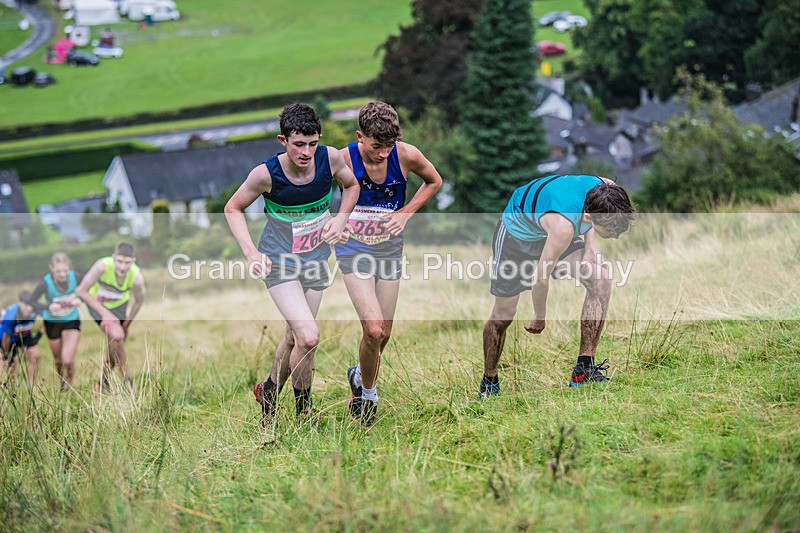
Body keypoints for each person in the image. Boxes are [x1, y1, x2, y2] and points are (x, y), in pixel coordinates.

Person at [224, 103, 360, 427]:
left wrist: (341, 219)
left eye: (312, 143)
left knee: (293, 338)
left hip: (315, 259)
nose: (306, 152)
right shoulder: (265, 174)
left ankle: (269, 390)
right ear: (282, 140)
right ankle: (304, 412)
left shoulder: (331, 159)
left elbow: (352, 186)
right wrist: (251, 254)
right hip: (279, 262)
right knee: (309, 337)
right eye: (299, 144)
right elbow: (232, 208)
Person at [335, 101, 443, 428]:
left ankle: (359, 373)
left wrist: (405, 212)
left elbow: (434, 181)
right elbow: (314, 194)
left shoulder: (406, 154)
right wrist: (337, 220)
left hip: (390, 250)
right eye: (376, 146)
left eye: (389, 146)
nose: (383, 154)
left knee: (385, 335)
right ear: (360, 137)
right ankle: (367, 396)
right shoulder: (342, 158)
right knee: (373, 328)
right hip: (352, 250)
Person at [480, 175, 637, 396]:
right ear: (588, 217)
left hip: (555, 224)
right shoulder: (564, 226)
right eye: (611, 231)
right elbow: (540, 278)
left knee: (601, 278)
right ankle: (489, 381)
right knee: (504, 314)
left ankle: (584, 369)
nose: (616, 236)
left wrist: (590, 247)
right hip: (517, 237)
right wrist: (540, 317)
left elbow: (590, 215)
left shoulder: (607, 188)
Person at [76, 243, 146, 392]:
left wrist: (126, 324)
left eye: (127, 263)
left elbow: (139, 301)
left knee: (114, 344)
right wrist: (105, 313)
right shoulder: (102, 266)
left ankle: (103, 382)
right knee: (117, 336)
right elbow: (81, 291)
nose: (122, 267)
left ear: (133, 261)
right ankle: (128, 381)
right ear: (114, 258)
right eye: (119, 261)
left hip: (119, 308)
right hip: (97, 305)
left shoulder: (137, 278)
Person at [28, 252, 83, 391]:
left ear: (69, 267)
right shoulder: (45, 283)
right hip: (52, 322)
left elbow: (90, 288)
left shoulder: (75, 277)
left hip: (72, 320)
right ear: (51, 268)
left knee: (67, 359)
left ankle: (68, 386)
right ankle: (61, 381)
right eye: (59, 271)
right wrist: (48, 306)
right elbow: (31, 301)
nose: (63, 274)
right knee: (58, 361)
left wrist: (81, 299)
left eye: (65, 270)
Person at [1, 291, 44, 389]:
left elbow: (50, 318)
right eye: (26, 304)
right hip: (8, 339)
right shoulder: (11, 315)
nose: (29, 308)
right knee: (11, 363)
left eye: (31, 304)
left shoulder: (36, 308)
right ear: (20, 303)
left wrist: (38, 336)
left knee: (36, 356)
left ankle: (30, 386)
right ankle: (11, 386)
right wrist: (7, 353)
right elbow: (6, 337)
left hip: (25, 336)